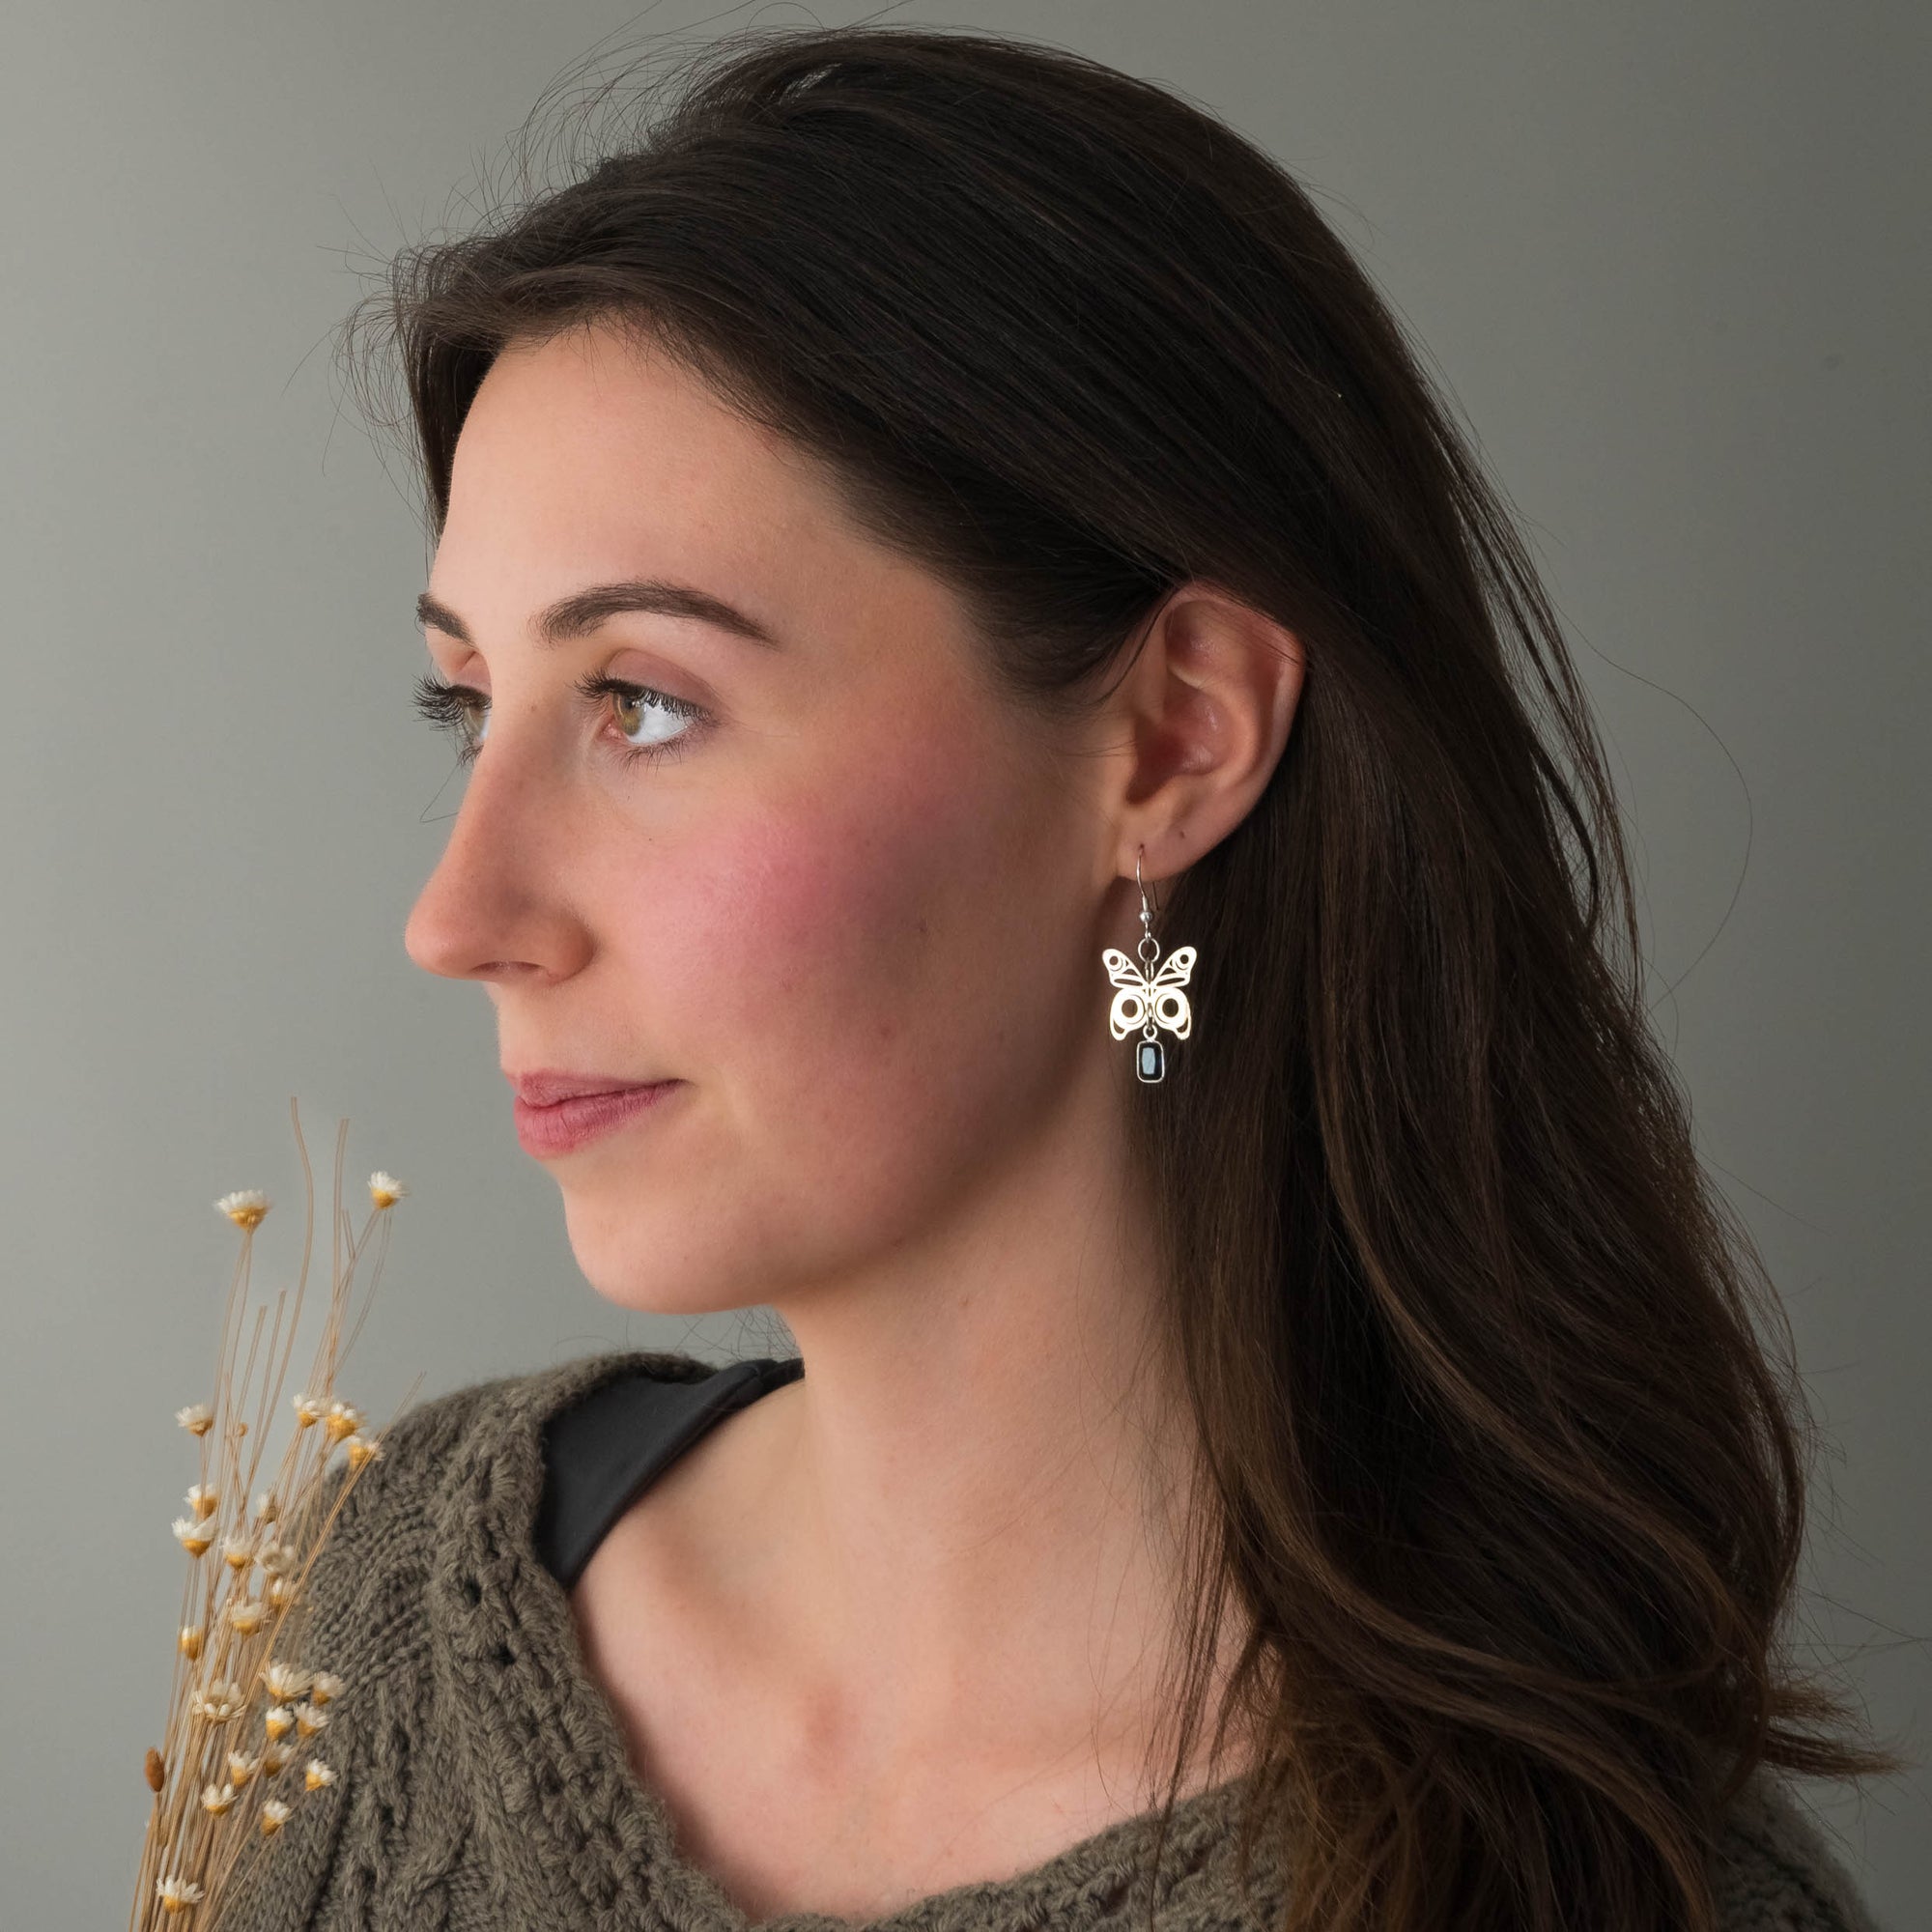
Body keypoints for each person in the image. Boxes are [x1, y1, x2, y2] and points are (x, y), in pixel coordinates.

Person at [218, 22, 1904, 1932]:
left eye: (646, 703)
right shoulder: (374, 1621)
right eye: (472, 706)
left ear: (1171, 743)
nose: (461, 915)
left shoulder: (1604, 1891)